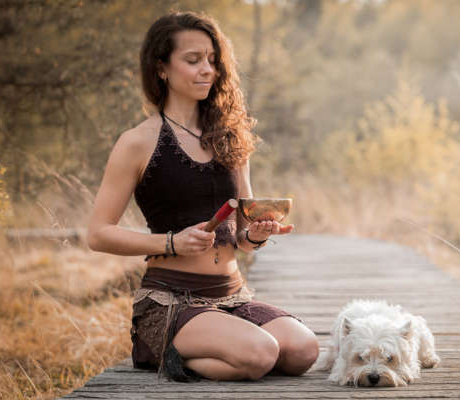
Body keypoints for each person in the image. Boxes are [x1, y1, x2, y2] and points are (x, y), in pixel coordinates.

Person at [87, 11, 319, 382]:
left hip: (232, 296)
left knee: (303, 350)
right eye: (193, 60)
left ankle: (225, 347)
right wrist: (172, 242)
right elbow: (97, 234)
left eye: (212, 61)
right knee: (260, 353)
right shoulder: (137, 142)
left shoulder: (232, 137)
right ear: (161, 68)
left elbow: (243, 238)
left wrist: (256, 234)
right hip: (169, 300)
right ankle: (161, 347)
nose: (207, 70)